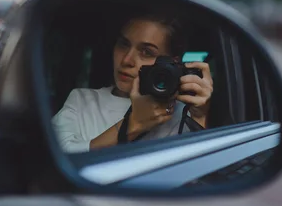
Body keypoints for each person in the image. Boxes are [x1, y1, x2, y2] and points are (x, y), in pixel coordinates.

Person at [52, 14, 214, 153]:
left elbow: (195, 174)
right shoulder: (83, 101)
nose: (127, 60)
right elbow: (59, 158)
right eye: (123, 44)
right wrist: (133, 124)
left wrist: (199, 117)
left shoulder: (182, 113)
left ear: (171, 64)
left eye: (146, 52)